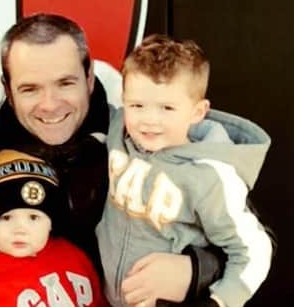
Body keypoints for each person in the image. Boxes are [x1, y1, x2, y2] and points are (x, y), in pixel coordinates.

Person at [0, 13, 224, 307]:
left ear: (89, 77)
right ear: (9, 89)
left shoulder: (141, 130)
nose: (50, 104)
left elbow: (248, 239)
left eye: (65, 83)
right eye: (30, 89)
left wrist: (196, 269)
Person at [96, 35, 272, 307]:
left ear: (198, 112)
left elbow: (254, 250)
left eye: (167, 108)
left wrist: (219, 301)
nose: (149, 119)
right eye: (137, 105)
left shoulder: (210, 176)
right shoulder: (119, 128)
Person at [0, 149, 108, 307]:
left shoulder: (74, 256)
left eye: (33, 217)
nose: (19, 230)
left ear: (51, 223)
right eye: (6, 217)